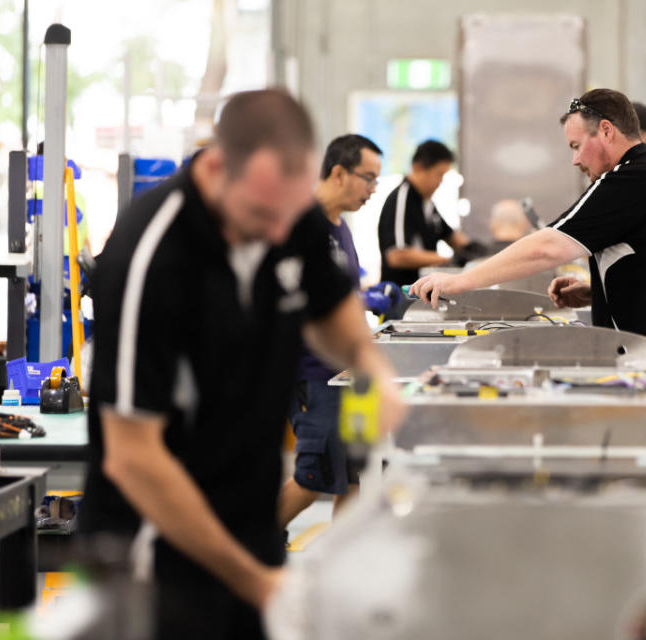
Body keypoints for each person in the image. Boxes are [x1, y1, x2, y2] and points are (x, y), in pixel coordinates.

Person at [80, 89, 404, 638]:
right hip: (152, 551)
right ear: (214, 165)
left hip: (245, 516)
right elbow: (133, 458)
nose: (279, 235)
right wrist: (254, 581)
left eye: (286, 217)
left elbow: (330, 305)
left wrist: (368, 362)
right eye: (261, 216)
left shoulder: (286, 209)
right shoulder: (153, 254)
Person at [410, 89, 646, 461]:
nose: (574, 160)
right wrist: (594, 291)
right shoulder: (643, 178)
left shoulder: (634, 179)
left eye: (575, 146)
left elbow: (547, 245)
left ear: (605, 131)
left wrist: (458, 281)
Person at [276, 134, 382, 531]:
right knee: (313, 479)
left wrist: (367, 298)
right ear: (338, 173)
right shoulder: (300, 226)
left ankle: (339, 574)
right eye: (367, 178)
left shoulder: (341, 228)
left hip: (345, 376)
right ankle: (252, 553)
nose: (372, 189)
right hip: (311, 373)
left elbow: (337, 294)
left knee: (353, 478)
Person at [377, 139, 475, 287]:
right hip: (402, 297)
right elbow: (397, 256)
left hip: (422, 296)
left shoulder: (427, 203)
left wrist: (475, 250)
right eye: (439, 174)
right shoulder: (402, 199)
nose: (441, 181)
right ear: (418, 168)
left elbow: (452, 238)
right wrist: (447, 259)